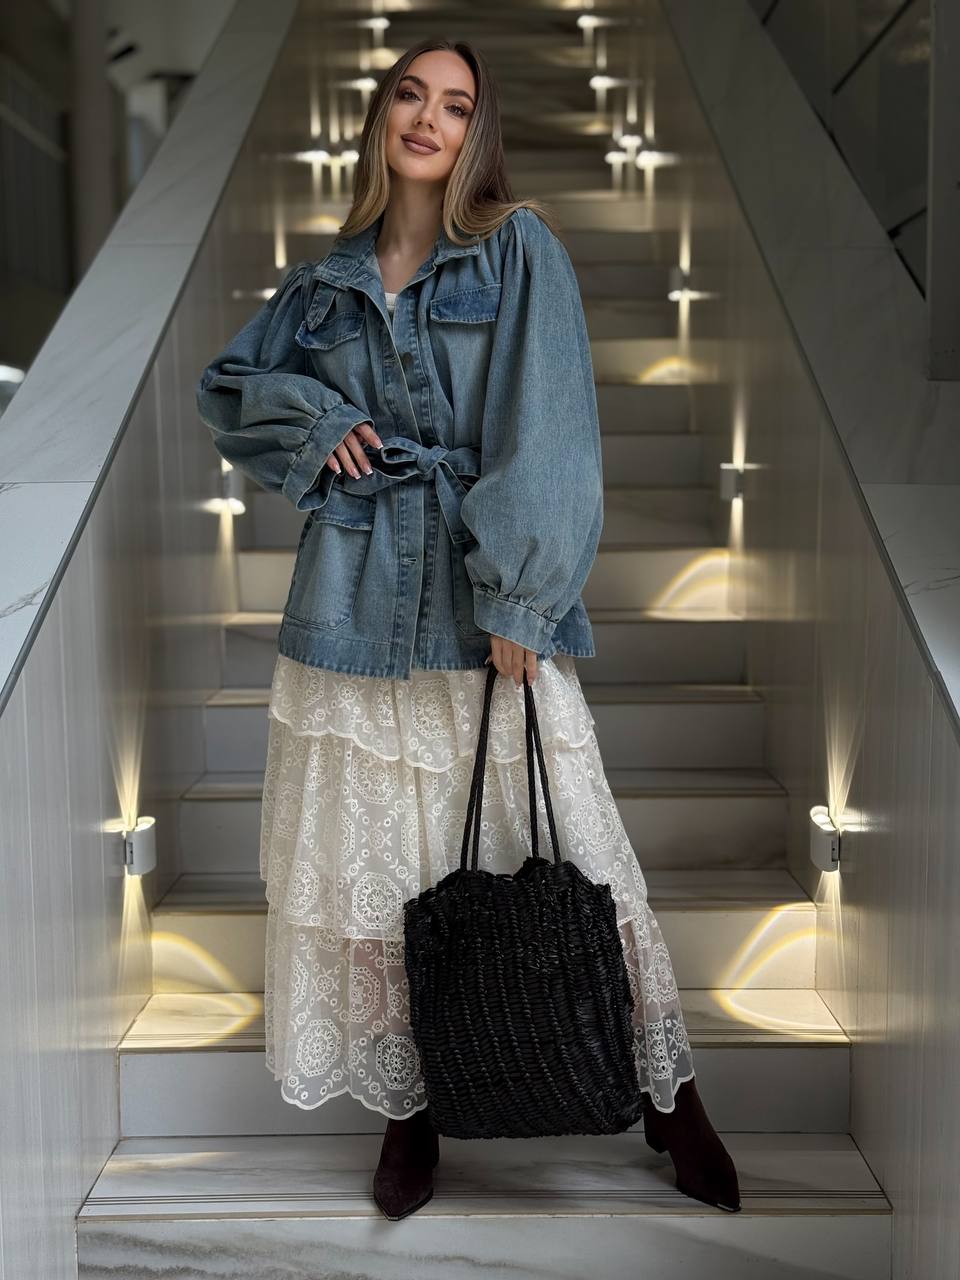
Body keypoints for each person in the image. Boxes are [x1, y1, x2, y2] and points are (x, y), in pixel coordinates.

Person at [195, 37, 740, 1220]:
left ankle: (670, 1095)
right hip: (348, 606)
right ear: (381, 113)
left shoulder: (516, 248)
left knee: (576, 853)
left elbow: (550, 427)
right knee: (386, 882)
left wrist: (522, 596)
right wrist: (317, 418)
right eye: (411, 95)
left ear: (475, 133)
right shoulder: (324, 283)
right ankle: (412, 1111)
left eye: (455, 105)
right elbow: (228, 389)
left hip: (473, 593)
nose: (427, 119)